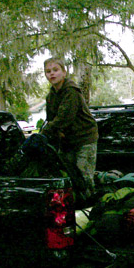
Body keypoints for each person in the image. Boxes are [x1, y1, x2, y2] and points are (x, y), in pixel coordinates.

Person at [41, 57, 98, 198]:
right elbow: (51, 119)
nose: (52, 74)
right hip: (67, 142)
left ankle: (89, 207)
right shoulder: (51, 96)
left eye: (55, 70)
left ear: (64, 72)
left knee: (84, 177)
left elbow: (63, 118)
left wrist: (44, 133)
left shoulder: (71, 91)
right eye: (48, 71)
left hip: (84, 139)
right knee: (67, 176)